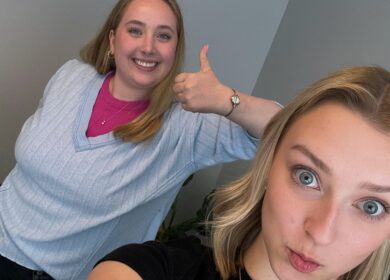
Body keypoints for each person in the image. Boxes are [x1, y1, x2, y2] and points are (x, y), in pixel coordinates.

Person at [0, 0, 281, 279]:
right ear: (112, 40)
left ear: (175, 48)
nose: (148, 46)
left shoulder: (184, 127)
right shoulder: (72, 76)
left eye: (163, 35)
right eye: (135, 30)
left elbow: (284, 128)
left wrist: (225, 99)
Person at [87, 65, 390, 280]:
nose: (321, 233)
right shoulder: (151, 270)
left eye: (371, 206)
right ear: (269, 161)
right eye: (307, 177)